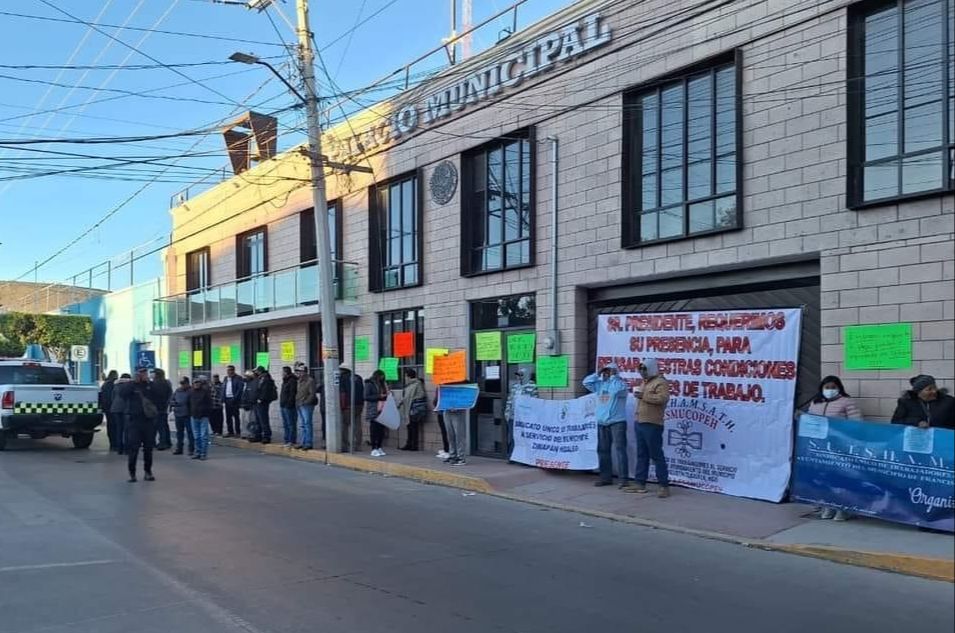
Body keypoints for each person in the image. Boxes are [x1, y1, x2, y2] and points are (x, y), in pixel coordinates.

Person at [805, 375, 864, 520]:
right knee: (823, 477)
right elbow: (810, 421)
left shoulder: (846, 401)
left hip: (839, 446)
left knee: (841, 477)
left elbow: (857, 423)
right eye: (827, 387)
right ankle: (827, 506)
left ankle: (843, 508)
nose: (830, 390)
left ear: (839, 388)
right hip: (819, 446)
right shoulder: (815, 402)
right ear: (822, 388)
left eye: (833, 387)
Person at [583, 362, 631, 489]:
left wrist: (614, 377)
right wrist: (597, 373)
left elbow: (616, 391)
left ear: (614, 372)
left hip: (617, 422)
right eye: (605, 372)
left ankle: (623, 479)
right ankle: (605, 478)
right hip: (602, 423)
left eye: (608, 371)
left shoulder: (620, 384)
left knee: (620, 450)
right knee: (603, 451)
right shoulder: (600, 385)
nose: (605, 374)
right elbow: (586, 383)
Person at [631, 358, 671, 498]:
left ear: (651, 368)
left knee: (656, 455)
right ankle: (639, 483)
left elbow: (662, 399)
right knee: (642, 455)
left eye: (644, 369)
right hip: (640, 422)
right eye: (640, 370)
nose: (642, 372)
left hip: (653, 423)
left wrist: (644, 395)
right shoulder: (644, 382)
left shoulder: (661, 382)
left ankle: (663, 486)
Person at [115, 367, 160, 482]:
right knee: (133, 448)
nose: (143, 375)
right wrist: (133, 382)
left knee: (148, 448)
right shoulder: (131, 385)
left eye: (144, 373)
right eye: (141, 373)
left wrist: (149, 382)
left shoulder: (150, 386)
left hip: (148, 421)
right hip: (134, 421)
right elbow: (121, 393)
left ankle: (148, 471)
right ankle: (132, 473)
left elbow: (160, 396)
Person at [504, 368, 538, 458]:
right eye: (518, 375)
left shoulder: (533, 386)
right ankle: (512, 456)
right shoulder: (515, 386)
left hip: (525, 418)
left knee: (525, 438)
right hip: (513, 416)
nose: (518, 377)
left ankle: (525, 458)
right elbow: (509, 400)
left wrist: (531, 417)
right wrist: (507, 414)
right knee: (513, 437)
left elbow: (534, 402)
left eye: (521, 375)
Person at [440, 382, 469, 466]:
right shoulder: (444, 380)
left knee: (459, 434)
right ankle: (453, 455)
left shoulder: (462, 381)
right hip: (447, 409)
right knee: (450, 434)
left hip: (458, 409)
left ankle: (461, 457)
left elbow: (467, 390)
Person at [399, 368, 428, 451]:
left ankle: (414, 445)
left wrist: (412, 399)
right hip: (408, 408)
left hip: (414, 409)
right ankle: (409, 443)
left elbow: (421, 395)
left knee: (414, 427)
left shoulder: (417, 384)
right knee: (409, 427)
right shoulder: (410, 385)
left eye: (405, 376)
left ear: (408, 376)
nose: (404, 378)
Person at [338, 364, 365, 452]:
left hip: (348, 405)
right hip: (359, 405)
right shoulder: (359, 377)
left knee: (345, 425)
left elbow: (342, 393)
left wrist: (342, 406)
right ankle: (358, 445)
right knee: (357, 425)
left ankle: (345, 446)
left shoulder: (343, 378)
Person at [365, 370, 389, 457]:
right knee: (374, 429)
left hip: (382, 408)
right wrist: (379, 396)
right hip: (374, 408)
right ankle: (373, 448)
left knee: (381, 430)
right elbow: (366, 396)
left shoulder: (383, 384)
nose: (382, 378)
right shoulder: (370, 384)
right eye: (381, 377)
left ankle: (379, 446)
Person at [188, 376, 213, 460]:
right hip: (194, 416)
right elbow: (188, 403)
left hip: (203, 416)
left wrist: (207, 413)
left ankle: (203, 453)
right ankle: (197, 452)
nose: (196, 384)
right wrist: (190, 413)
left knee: (203, 436)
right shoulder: (191, 392)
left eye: (198, 382)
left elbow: (210, 404)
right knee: (196, 436)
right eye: (195, 382)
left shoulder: (205, 392)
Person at [294, 363, 317, 450]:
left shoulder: (310, 380)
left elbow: (312, 394)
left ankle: (308, 443)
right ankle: (302, 442)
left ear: (305, 372)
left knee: (307, 424)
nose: (298, 373)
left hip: (306, 405)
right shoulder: (299, 381)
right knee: (301, 424)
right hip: (299, 404)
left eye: (300, 371)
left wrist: (306, 402)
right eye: (297, 371)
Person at [252, 366, 277, 444]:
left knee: (263, 420)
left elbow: (265, 390)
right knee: (257, 420)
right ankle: (258, 435)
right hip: (257, 402)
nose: (255, 373)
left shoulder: (266, 379)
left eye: (256, 371)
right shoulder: (259, 379)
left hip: (262, 402)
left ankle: (266, 436)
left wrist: (261, 399)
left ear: (260, 371)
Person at [151, 368, 173, 450]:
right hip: (163, 407)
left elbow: (154, 396)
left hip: (157, 407)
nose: (151, 375)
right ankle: (167, 442)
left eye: (153, 373)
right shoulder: (166, 382)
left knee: (159, 426)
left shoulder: (156, 384)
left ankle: (162, 443)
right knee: (164, 425)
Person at [171, 377, 195, 456]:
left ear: (188, 383)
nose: (182, 385)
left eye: (183, 383)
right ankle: (179, 448)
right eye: (181, 383)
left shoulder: (191, 391)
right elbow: (171, 400)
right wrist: (174, 403)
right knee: (179, 433)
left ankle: (191, 449)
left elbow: (191, 402)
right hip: (178, 414)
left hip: (187, 415)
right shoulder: (178, 390)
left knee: (190, 432)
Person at [109, 373, 131, 455]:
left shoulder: (116, 386)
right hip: (126, 409)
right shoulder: (129, 386)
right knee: (127, 429)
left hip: (115, 408)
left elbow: (112, 397)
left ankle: (119, 448)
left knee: (119, 429)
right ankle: (126, 448)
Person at [279, 366, 299, 448]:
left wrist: (289, 404)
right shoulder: (285, 381)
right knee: (285, 424)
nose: (281, 374)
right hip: (283, 405)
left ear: (286, 373)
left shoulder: (292, 381)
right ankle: (286, 440)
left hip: (289, 406)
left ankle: (291, 440)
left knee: (291, 424)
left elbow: (292, 394)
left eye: (283, 372)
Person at [99, 370, 118, 453]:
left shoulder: (105, 384)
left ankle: (113, 444)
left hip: (107, 408)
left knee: (111, 426)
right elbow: (111, 397)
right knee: (114, 426)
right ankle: (114, 444)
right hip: (112, 408)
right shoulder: (111, 384)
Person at [222, 365, 244, 437]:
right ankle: (230, 431)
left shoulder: (238, 378)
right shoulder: (225, 378)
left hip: (234, 400)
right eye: (228, 370)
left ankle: (238, 432)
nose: (229, 372)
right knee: (228, 417)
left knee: (236, 416)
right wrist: (223, 398)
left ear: (234, 370)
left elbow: (240, 389)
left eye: (231, 370)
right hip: (227, 399)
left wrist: (235, 398)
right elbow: (223, 388)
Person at [240, 370, 259, 440]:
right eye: (245, 376)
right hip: (244, 404)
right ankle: (245, 433)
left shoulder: (253, 383)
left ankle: (251, 433)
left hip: (250, 405)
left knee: (251, 420)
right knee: (244, 420)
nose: (246, 377)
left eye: (247, 376)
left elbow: (251, 394)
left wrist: (249, 403)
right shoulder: (245, 383)